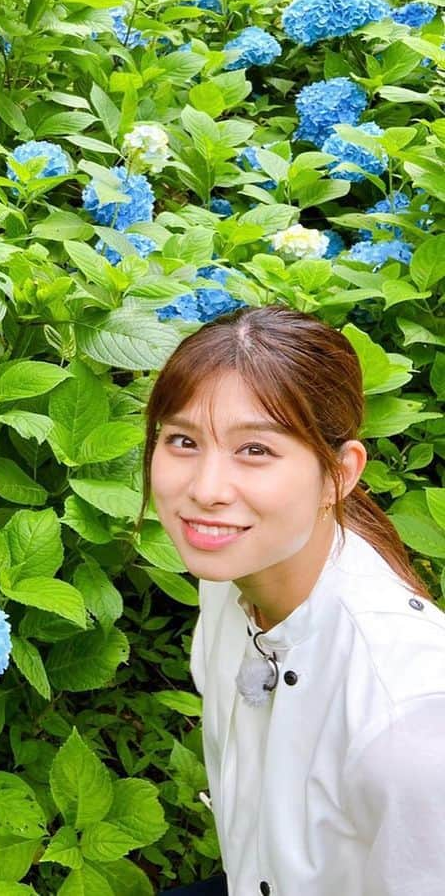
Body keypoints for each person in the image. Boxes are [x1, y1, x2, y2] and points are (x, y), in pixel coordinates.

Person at [140, 305, 445, 895]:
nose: (205, 490)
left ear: (339, 474)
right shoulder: (234, 576)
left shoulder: (405, 713)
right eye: (182, 440)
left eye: (255, 450)